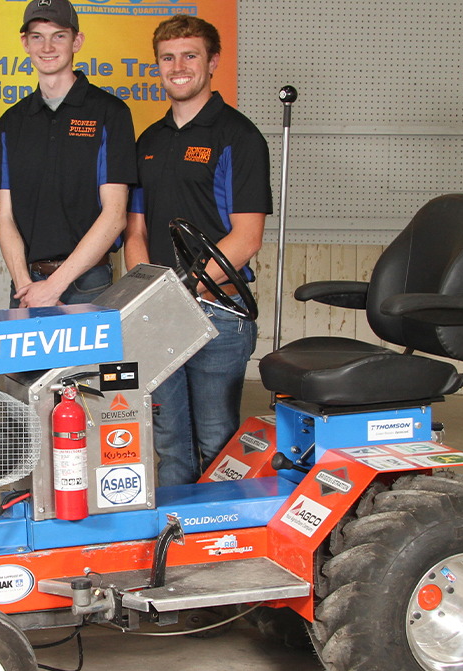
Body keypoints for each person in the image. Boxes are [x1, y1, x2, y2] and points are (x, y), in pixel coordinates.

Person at [125, 15, 272, 486]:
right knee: (169, 443)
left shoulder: (240, 138)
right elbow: (135, 232)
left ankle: (224, 545)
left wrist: (186, 291)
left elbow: (246, 237)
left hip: (217, 314)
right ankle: (182, 546)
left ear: (212, 62)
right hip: (161, 314)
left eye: (190, 55)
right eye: (167, 57)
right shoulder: (149, 142)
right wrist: (150, 298)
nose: (179, 66)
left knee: (217, 442)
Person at [0, 0, 136, 307]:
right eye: (37, 36)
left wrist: (54, 287)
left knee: (90, 360)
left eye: (58, 35)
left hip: (88, 286)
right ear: (25, 43)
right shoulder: (11, 122)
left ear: (77, 41)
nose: (47, 46)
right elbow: (4, 215)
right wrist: (26, 286)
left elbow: (115, 216)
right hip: (26, 287)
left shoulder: (110, 113)